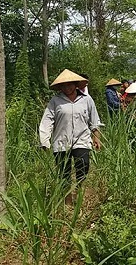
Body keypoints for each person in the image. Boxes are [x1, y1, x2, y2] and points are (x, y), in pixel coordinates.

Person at [39, 69, 102, 204]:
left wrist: (96, 137)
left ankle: (79, 190)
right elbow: (47, 120)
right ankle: (67, 199)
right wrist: (44, 141)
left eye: (70, 85)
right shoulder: (55, 101)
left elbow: (94, 119)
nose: (67, 88)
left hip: (82, 139)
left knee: (83, 164)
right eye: (64, 86)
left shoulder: (86, 99)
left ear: (75, 85)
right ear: (60, 87)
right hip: (62, 141)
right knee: (63, 172)